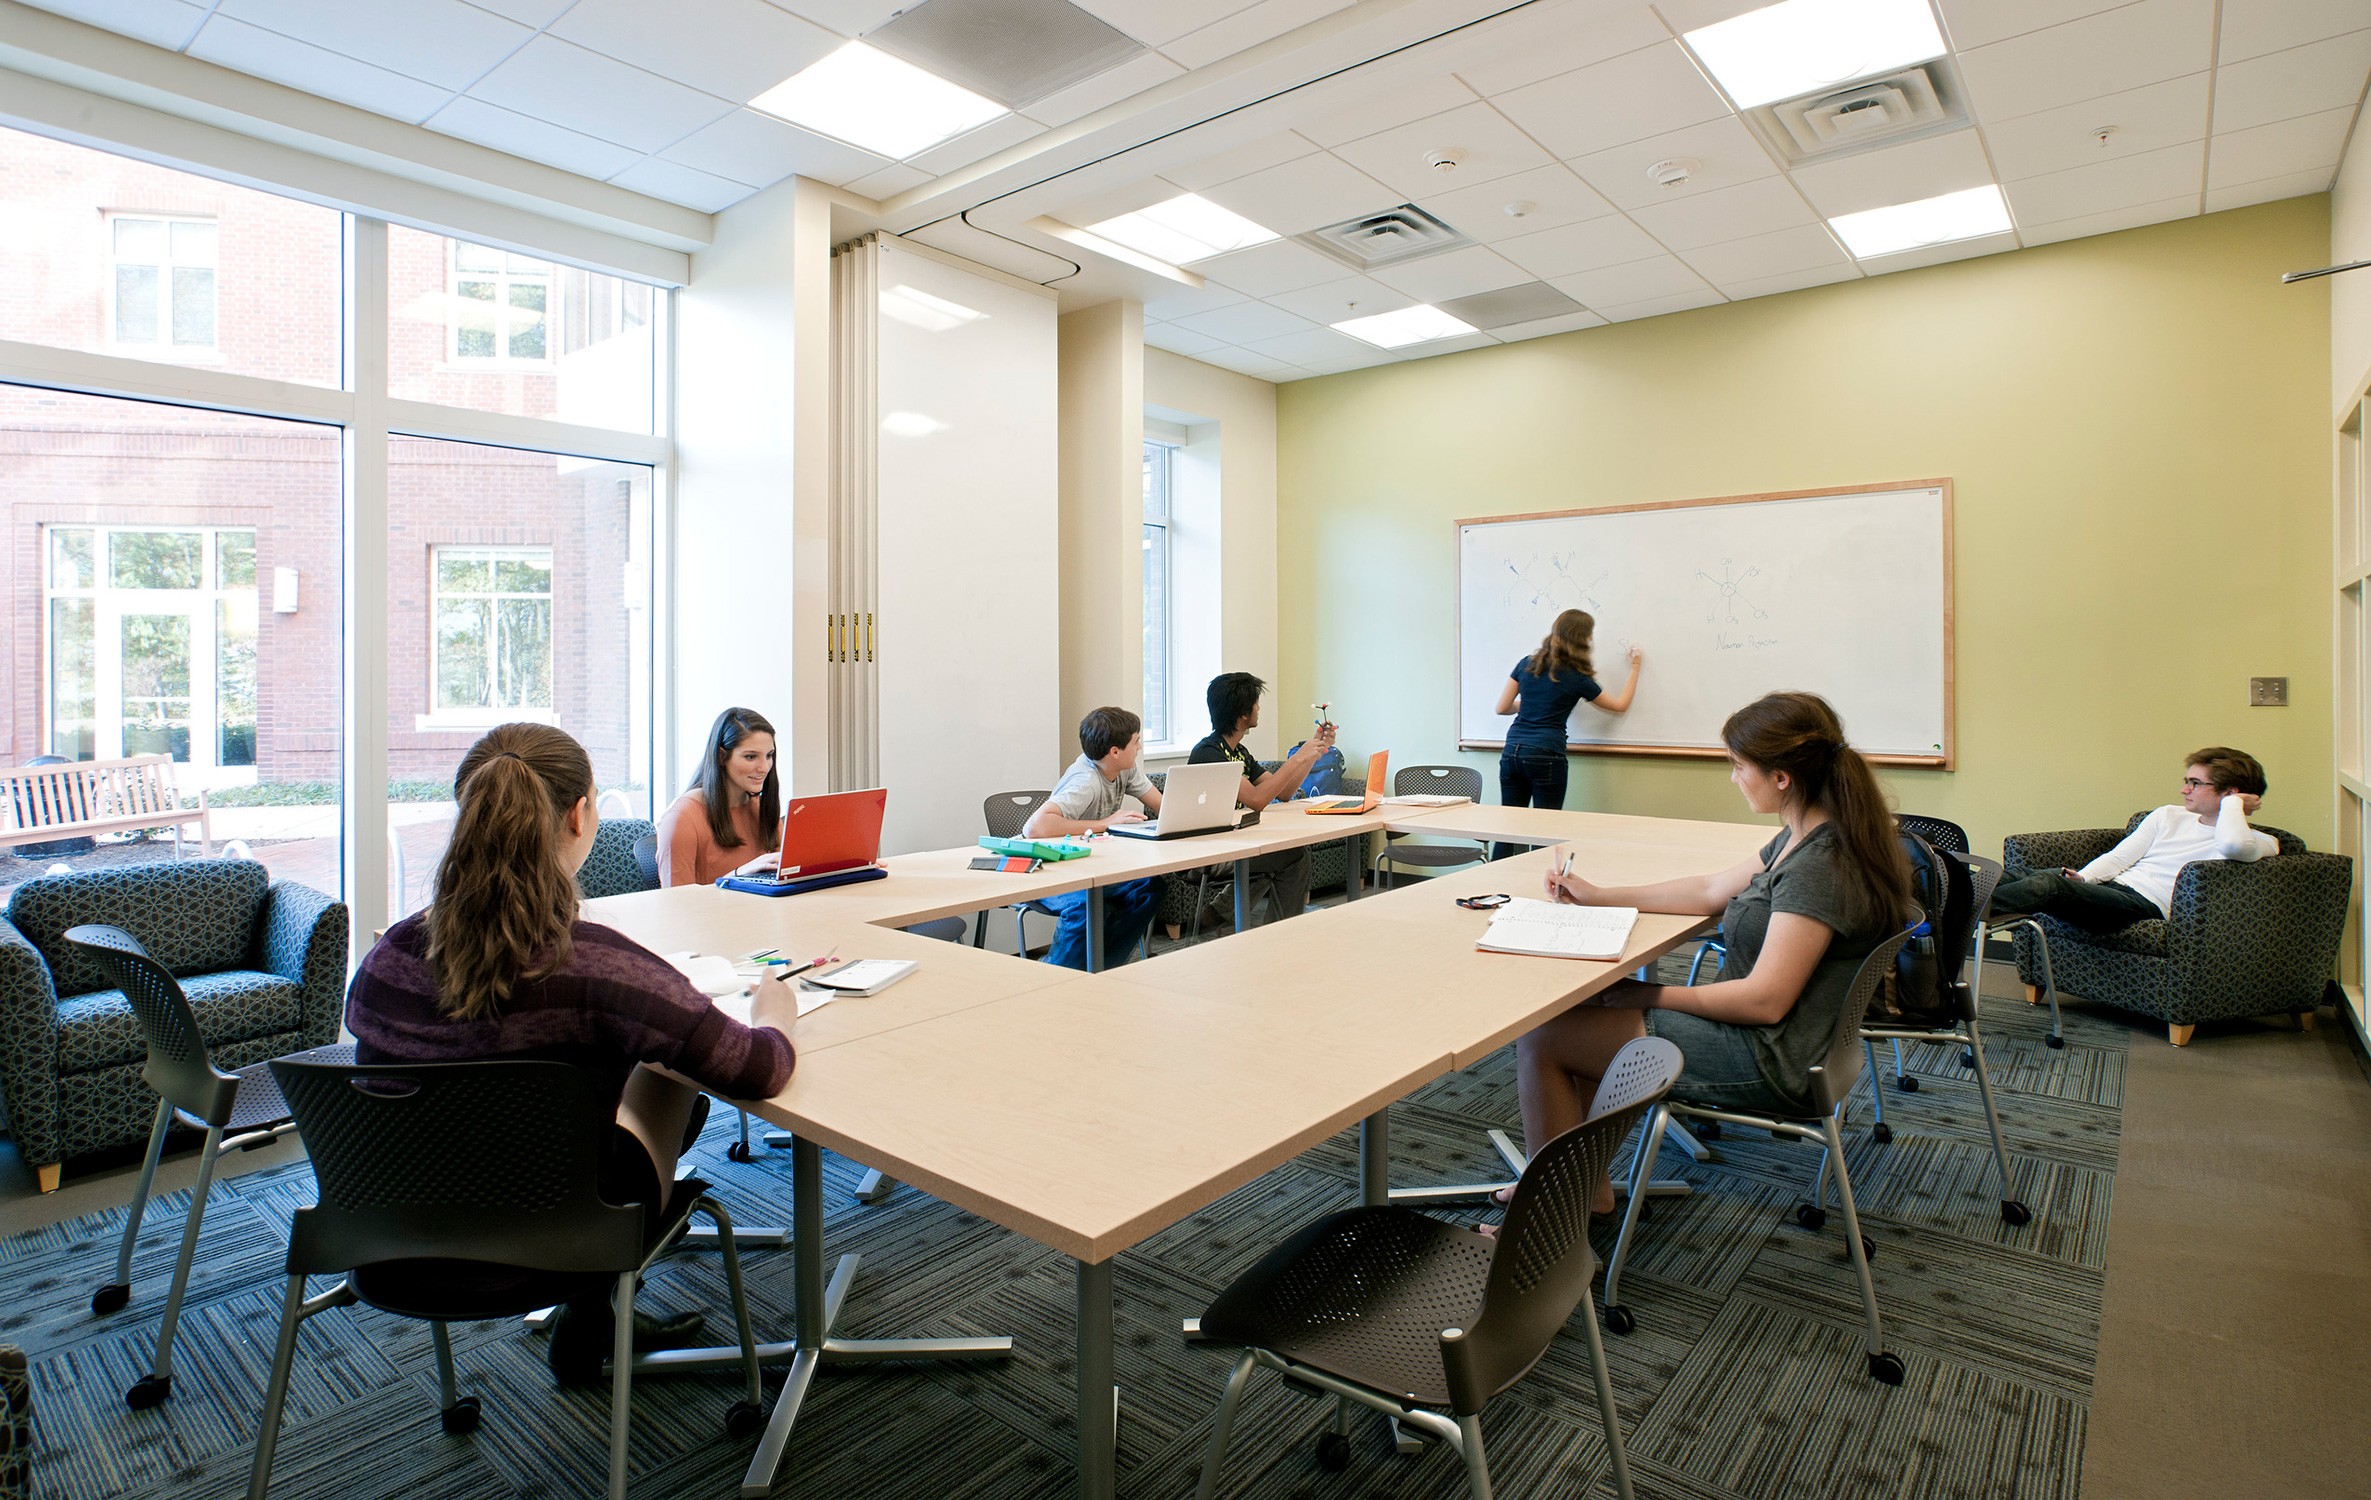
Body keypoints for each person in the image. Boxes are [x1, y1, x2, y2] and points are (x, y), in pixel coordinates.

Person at [347, 723, 798, 1384]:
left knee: (578, 1098)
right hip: (561, 1235)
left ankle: (591, 1323)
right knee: (663, 1075)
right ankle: (591, 1318)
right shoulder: (599, 966)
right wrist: (775, 1015)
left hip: (395, 1230)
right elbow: (759, 1070)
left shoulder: (389, 957)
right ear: (580, 815)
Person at [1501, 692, 1912, 1219]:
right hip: (1787, 1039)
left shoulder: (1820, 865)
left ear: (1781, 776)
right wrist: (1600, 894)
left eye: (1740, 766)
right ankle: (1581, 1190)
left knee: (1546, 1035)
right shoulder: (1806, 834)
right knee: (1584, 1019)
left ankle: (1545, 1219)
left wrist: (1647, 993)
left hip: (1770, 1056)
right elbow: (1709, 890)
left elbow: (1765, 1001)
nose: (1734, 778)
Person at [1989, 747, 2277, 932]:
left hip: (2145, 905)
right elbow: (2120, 857)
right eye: (2186, 780)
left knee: (2048, 884)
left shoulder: (2260, 842)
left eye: (2195, 783)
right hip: (2114, 889)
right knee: (2014, 874)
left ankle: (1952, 914)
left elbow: (2232, 846)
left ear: (2231, 793)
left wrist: (2232, 806)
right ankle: (1947, 888)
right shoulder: (2168, 815)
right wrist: (2085, 879)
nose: (2183, 789)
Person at [1185, 673, 1337, 928]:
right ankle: (1278, 931)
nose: (1258, 708)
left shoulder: (1239, 752)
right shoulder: (1209, 753)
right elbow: (1257, 800)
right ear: (1243, 714)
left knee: (1288, 853)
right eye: (1255, 703)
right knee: (1292, 856)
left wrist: (1313, 753)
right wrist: (1297, 757)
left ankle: (1221, 914)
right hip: (1207, 849)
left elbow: (1283, 792)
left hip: (1234, 840)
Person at [1023, 706, 1166, 969]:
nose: (1140, 748)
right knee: (1087, 903)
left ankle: (1101, 967)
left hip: (1087, 868)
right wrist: (1104, 824)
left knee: (1149, 887)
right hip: (1044, 870)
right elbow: (1035, 828)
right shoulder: (1085, 781)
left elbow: (1163, 807)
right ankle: (1054, 971)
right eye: (1136, 742)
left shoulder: (1125, 768)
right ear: (1114, 751)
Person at [1492, 609, 1641, 859]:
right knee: (1545, 833)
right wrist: (1635, 667)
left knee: (1509, 830)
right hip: (1546, 755)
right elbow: (1619, 706)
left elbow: (1502, 708)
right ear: (1583, 640)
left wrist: (1531, 704)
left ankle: (1494, 893)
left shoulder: (1526, 663)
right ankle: (1537, 893)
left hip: (1512, 753)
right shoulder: (1577, 678)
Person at [656, 707, 785, 886]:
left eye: (769, 756)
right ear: (721, 756)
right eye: (750, 757)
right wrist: (737, 876)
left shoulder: (762, 810)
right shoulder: (682, 818)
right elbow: (676, 903)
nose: (764, 767)